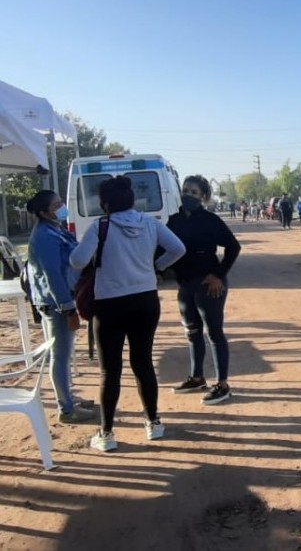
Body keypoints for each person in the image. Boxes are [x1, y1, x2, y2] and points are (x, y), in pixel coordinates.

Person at [70, 176, 186, 453]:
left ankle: (106, 433)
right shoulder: (151, 223)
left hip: (110, 304)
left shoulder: (100, 226)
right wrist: (155, 267)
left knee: (110, 370)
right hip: (145, 300)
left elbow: (77, 261)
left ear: (106, 202)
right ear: (132, 199)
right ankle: (153, 423)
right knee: (143, 362)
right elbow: (178, 249)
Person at [167, 176, 241, 406]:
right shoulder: (174, 221)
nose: (188, 195)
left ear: (204, 197)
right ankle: (197, 378)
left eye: (194, 193)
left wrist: (218, 274)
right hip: (185, 284)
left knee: (214, 332)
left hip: (209, 285)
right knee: (192, 331)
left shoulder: (210, 220)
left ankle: (223, 385)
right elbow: (165, 248)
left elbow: (233, 247)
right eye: (186, 191)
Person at [26, 190, 95, 423]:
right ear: (45, 212)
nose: (62, 207)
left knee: (65, 354)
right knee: (61, 356)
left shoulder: (55, 229)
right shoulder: (44, 236)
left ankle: (68, 397)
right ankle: (66, 409)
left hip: (63, 298)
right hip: (55, 303)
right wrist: (67, 308)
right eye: (57, 205)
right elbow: (52, 275)